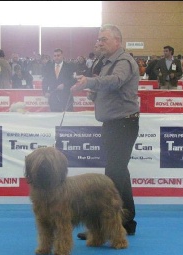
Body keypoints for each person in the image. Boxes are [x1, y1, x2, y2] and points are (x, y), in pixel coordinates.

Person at [71, 24, 140, 238]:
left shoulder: (124, 61)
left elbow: (116, 81)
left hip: (122, 124)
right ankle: (124, 222)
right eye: (98, 39)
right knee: (119, 173)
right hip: (114, 124)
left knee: (113, 175)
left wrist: (90, 82)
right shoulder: (105, 63)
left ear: (117, 41)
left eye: (104, 39)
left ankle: (110, 225)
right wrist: (94, 93)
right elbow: (109, 88)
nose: (99, 43)